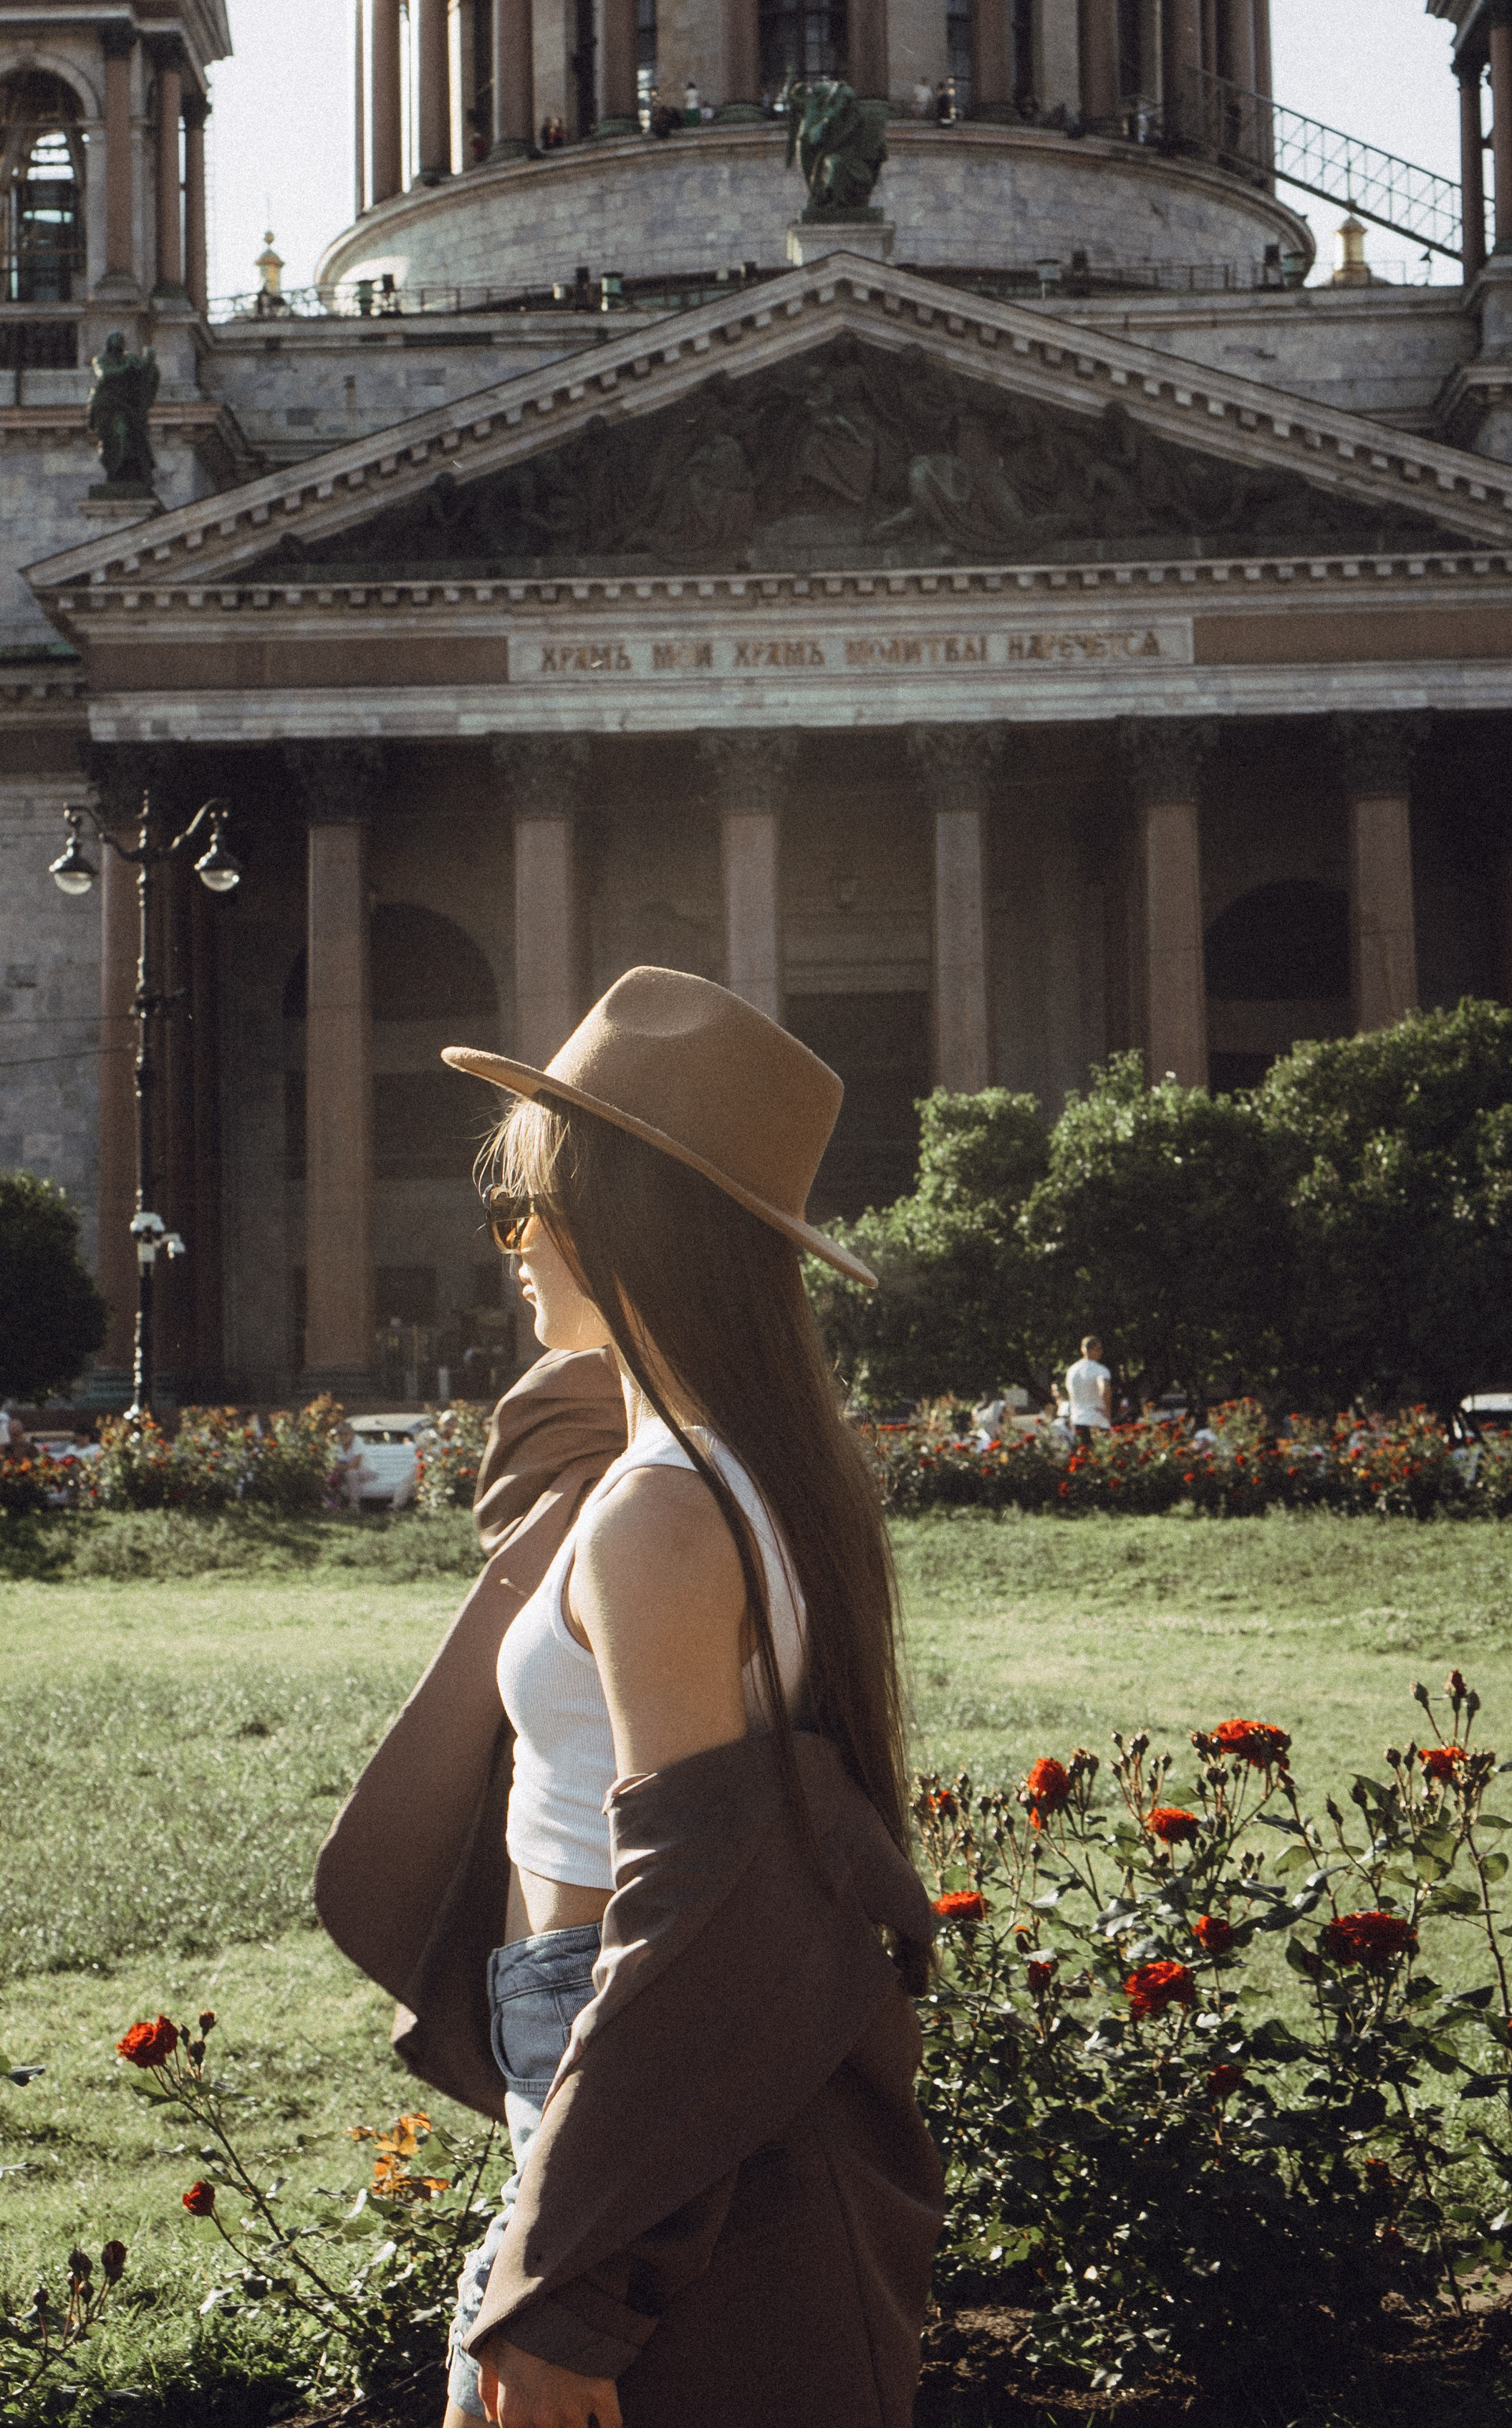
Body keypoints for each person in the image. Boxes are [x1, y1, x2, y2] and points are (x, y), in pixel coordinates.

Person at [314, 966, 942, 2428]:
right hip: (616, 2064)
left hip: (626, 2064)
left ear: (625, 1222)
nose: (510, 1243)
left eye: (533, 1204)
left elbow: (690, 1910)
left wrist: (569, 2284)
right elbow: (527, 1452)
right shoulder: (719, 1463)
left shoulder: (659, 1515)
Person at [1065, 1336, 1113, 1449]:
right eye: (1099, 1349)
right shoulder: (1100, 1370)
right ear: (1095, 1350)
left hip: (1077, 1420)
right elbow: (1105, 1388)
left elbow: (1071, 1395)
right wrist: (1107, 1411)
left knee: (1081, 1458)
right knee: (1102, 1458)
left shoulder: (1072, 1370)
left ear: (1083, 1350)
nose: (1101, 1352)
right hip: (1097, 1420)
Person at [334, 1421, 367, 1512]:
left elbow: (355, 1465)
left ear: (351, 1433)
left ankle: (354, 1507)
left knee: (351, 1473)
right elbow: (334, 1462)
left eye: (346, 1433)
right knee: (333, 1475)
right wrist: (335, 1467)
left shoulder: (358, 1442)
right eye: (341, 1434)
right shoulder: (338, 1445)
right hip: (346, 1471)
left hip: (366, 1471)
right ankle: (333, 1505)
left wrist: (336, 1467)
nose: (344, 1436)